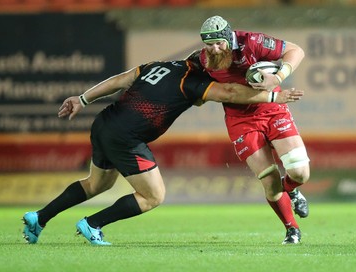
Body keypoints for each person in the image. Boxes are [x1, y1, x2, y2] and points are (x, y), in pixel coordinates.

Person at [22, 58, 304, 245]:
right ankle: (93, 224)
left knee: (96, 184)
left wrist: (83, 99)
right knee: (153, 196)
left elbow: (120, 79)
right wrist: (272, 95)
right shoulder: (193, 80)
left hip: (105, 123)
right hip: (127, 137)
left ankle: (39, 218)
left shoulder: (159, 66)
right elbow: (230, 93)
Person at [198, 15, 310, 244]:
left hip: (272, 110)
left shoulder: (252, 42)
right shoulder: (202, 60)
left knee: (300, 173)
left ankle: (292, 190)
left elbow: (296, 51)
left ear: (229, 36)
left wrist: (278, 76)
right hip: (240, 121)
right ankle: (292, 229)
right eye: (210, 44)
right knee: (269, 181)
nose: (215, 49)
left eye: (219, 43)